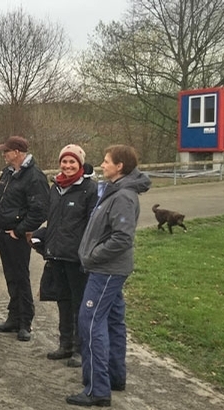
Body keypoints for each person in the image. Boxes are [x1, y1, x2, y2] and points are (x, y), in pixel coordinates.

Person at [66, 145, 151, 407]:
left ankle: (97, 389)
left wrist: (92, 256)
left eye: (106, 162)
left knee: (90, 322)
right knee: (114, 321)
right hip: (107, 268)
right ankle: (114, 376)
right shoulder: (113, 190)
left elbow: (122, 237)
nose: (102, 165)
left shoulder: (123, 195)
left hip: (106, 270)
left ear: (119, 167)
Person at [43, 145, 98, 368]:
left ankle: (79, 348)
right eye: (64, 162)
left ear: (80, 164)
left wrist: (85, 251)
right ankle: (64, 344)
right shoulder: (55, 187)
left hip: (76, 257)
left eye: (72, 162)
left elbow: (93, 224)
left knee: (79, 304)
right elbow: (53, 220)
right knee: (62, 301)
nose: (67, 166)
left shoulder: (89, 189)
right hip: (56, 254)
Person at [0, 136, 50, 342]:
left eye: (6, 151)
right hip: (3, 232)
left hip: (16, 235)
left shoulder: (34, 177)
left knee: (21, 277)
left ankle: (25, 322)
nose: (3, 154)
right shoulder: (8, 174)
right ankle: (13, 317)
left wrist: (19, 230)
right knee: (11, 277)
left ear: (17, 152)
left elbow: (40, 210)